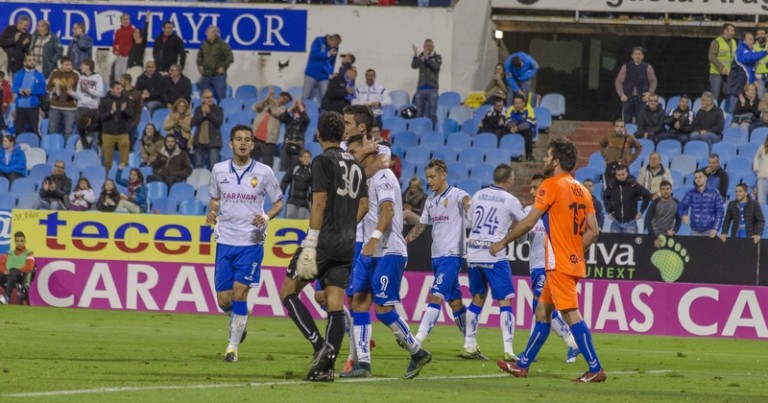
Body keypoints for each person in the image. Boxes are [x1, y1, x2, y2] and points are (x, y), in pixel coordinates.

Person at [492, 138, 605, 383]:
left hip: (559, 264)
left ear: (556, 161)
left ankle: (595, 368)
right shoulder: (583, 190)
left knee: (571, 314)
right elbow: (594, 230)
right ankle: (522, 365)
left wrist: (503, 242)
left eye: (547, 155)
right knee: (542, 312)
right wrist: (574, 250)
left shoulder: (551, 185)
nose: (544, 159)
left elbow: (530, 221)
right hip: (570, 261)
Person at [278, 112, 368, 382]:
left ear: (318, 134)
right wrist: (345, 226)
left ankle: (320, 346)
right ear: (342, 135)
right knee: (334, 304)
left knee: (287, 293)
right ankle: (326, 370)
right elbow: (364, 205)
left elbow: (318, 204)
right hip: (346, 243)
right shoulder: (356, 163)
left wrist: (312, 240)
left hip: (323, 241)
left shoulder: (321, 161)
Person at [343, 133, 431, 380]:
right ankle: (363, 364)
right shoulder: (365, 179)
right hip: (368, 251)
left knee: (382, 309)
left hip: (388, 250)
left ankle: (417, 351)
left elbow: (388, 211)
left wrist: (373, 239)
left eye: (354, 152)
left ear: (370, 154)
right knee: (358, 302)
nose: (352, 158)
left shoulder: (383, 177)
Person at [206, 124, 284, 363]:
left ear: (252, 144)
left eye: (247, 139)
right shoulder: (219, 170)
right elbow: (215, 200)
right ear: (231, 144)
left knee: (240, 295)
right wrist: (211, 212)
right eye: (238, 139)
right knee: (224, 301)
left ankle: (232, 348)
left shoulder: (264, 172)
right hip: (225, 241)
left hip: (251, 243)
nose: (242, 143)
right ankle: (241, 319)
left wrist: (267, 216)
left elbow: (279, 202)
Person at [404, 159, 470, 355]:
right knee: (455, 302)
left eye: (432, 177)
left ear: (443, 175)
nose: (429, 181)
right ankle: (471, 343)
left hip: (452, 256)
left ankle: (416, 340)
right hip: (436, 257)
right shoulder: (431, 201)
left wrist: (470, 207)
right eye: (427, 178)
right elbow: (421, 225)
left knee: (435, 296)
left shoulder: (457, 194)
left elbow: (468, 201)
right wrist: (404, 242)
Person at [461, 164, 525, 362]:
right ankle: (508, 349)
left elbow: (469, 222)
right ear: (510, 180)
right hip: (493, 253)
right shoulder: (510, 200)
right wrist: (517, 238)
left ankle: (469, 345)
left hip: (473, 252)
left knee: (478, 297)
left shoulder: (478, 194)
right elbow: (525, 224)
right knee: (504, 300)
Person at [525, 173, 581, 363]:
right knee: (542, 310)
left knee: (540, 307)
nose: (532, 191)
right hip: (535, 267)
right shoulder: (529, 210)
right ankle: (529, 354)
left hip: (548, 265)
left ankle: (573, 342)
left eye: (536, 187)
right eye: (532, 188)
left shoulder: (557, 209)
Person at [603, 165, 654, 234]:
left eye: (623, 174)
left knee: (631, 244)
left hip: (630, 223)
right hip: (616, 222)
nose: (621, 177)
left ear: (627, 174)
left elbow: (647, 195)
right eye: (619, 175)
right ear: (616, 175)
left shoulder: (633, 185)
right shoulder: (612, 185)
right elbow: (605, 196)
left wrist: (641, 211)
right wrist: (609, 210)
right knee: (612, 243)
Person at [726, 31, 767, 113]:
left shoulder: (750, 50)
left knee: (745, 110)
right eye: (750, 39)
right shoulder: (741, 49)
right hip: (737, 87)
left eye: (753, 39)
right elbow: (748, 58)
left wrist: (754, 80)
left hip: (745, 87)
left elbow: (751, 68)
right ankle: (730, 124)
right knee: (733, 111)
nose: (753, 41)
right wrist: (765, 52)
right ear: (744, 41)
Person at [615, 47, 657, 124]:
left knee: (641, 121)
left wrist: (650, 93)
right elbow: (618, 81)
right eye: (636, 54)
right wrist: (621, 94)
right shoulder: (626, 67)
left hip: (642, 99)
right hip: (628, 98)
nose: (637, 56)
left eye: (639, 54)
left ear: (643, 56)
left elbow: (653, 81)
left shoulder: (648, 67)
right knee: (626, 122)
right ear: (632, 56)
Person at [678, 169, 724, 237]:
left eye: (700, 177)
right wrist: (683, 214)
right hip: (694, 231)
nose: (698, 179)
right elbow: (681, 206)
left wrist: (716, 228)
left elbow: (720, 211)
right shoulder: (691, 193)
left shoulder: (714, 193)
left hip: (710, 231)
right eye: (696, 178)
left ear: (705, 178)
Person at [252, 89, 291, 169]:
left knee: (267, 166)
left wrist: (271, 101)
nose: (284, 101)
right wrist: (267, 99)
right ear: (279, 97)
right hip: (256, 138)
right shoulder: (267, 104)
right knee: (251, 163)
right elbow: (255, 108)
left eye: (286, 101)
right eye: (283, 98)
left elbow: (275, 112)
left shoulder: (282, 109)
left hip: (269, 142)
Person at [99, 81, 133, 172]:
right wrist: (111, 112)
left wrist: (123, 111)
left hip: (123, 133)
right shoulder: (104, 100)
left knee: (124, 160)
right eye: (117, 89)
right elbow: (101, 117)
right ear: (111, 89)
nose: (119, 91)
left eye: (121, 88)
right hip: (108, 133)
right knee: (108, 161)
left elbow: (130, 115)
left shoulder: (126, 100)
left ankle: (123, 177)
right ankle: (107, 179)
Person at [196, 25, 234, 102]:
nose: (206, 34)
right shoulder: (204, 44)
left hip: (218, 76)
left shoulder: (222, 44)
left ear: (214, 33)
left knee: (221, 96)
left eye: (208, 32)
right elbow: (200, 56)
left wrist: (223, 66)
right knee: (203, 96)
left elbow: (230, 58)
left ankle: (221, 111)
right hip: (206, 75)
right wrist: (199, 65)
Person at [599, 118, 643, 184]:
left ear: (624, 128)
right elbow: (601, 145)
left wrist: (631, 159)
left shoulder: (629, 137)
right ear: (614, 127)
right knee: (610, 189)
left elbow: (639, 147)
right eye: (617, 126)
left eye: (621, 126)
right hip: (610, 167)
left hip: (623, 167)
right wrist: (605, 156)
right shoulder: (608, 136)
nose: (619, 129)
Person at [12, 55, 46, 136]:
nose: (31, 62)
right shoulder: (19, 74)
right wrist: (19, 90)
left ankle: (37, 146)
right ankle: (18, 145)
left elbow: (43, 90)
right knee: (19, 129)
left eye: (33, 60)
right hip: (20, 106)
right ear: (25, 62)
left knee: (35, 129)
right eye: (29, 60)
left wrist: (32, 91)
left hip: (33, 107)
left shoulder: (40, 76)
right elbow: (13, 88)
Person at [47, 57, 79, 139]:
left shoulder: (75, 74)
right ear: (61, 65)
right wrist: (54, 90)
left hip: (70, 108)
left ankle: (67, 149)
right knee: (52, 129)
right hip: (55, 106)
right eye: (66, 65)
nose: (69, 67)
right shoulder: (55, 73)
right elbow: (48, 88)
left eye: (70, 65)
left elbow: (80, 91)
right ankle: (52, 149)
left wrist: (72, 92)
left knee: (68, 131)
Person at [302, 34, 341, 103]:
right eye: (336, 44)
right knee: (306, 96)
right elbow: (314, 54)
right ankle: (302, 113)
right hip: (312, 74)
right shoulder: (319, 41)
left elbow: (332, 62)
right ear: (331, 40)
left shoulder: (335, 48)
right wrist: (327, 54)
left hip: (324, 76)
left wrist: (330, 73)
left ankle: (323, 113)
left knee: (325, 98)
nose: (336, 46)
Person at [411, 39, 442, 124]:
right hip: (420, 89)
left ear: (433, 47)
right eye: (427, 46)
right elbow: (414, 66)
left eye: (430, 46)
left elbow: (435, 67)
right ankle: (420, 131)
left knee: (432, 113)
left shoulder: (437, 57)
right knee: (419, 113)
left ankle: (432, 132)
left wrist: (427, 58)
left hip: (432, 89)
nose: (429, 47)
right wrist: (416, 55)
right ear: (424, 47)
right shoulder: (421, 56)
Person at [191, 89, 224, 169]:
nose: (210, 99)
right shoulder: (198, 109)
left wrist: (209, 113)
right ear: (202, 99)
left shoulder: (218, 109)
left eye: (211, 97)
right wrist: (203, 115)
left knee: (214, 166)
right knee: (198, 166)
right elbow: (193, 122)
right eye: (207, 97)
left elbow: (218, 122)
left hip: (213, 142)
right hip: (199, 142)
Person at [644, 180, 682, 248]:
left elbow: (679, 220)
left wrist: (674, 230)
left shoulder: (676, 202)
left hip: (669, 237)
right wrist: (654, 238)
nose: (665, 191)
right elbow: (647, 220)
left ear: (671, 190)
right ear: (660, 191)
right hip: (655, 237)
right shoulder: (655, 203)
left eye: (667, 189)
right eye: (663, 189)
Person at [0, 232, 35, 305]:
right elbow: (2, 264)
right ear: (15, 242)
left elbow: (29, 267)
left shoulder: (29, 253)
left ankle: (6, 297)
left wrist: (16, 270)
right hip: (9, 276)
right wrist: (4, 270)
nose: (20, 243)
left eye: (21, 241)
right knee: (10, 272)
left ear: (24, 241)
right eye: (18, 241)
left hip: (21, 277)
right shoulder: (9, 253)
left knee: (13, 270)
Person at [280, 98, 311, 171]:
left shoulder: (304, 122)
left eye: (298, 110)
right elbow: (283, 117)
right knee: (283, 169)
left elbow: (307, 119)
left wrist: (300, 105)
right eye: (296, 110)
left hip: (298, 148)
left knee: (294, 169)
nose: (297, 112)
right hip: (286, 147)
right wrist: (293, 106)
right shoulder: (289, 120)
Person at [281, 149, 312, 219]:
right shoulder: (294, 168)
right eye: (304, 157)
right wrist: (280, 196)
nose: (307, 159)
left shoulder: (312, 170)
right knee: (289, 218)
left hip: (305, 203)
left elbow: (313, 188)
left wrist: (311, 201)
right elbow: (284, 181)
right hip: (292, 200)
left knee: (304, 222)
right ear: (300, 158)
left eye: (308, 157)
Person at [709, 23, 737, 102]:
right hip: (716, 73)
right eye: (731, 30)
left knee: (728, 94)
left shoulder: (734, 42)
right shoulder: (716, 42)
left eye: (733, 31)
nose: (733, 33)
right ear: (725, 31)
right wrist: (721, 67)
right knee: (715, 96)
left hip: (728, 74)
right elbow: (711, 56)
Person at [506, 93, 537, 161]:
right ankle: (507, 155)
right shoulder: (510, 109)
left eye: (519, 103)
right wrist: (513, 126)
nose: (517, 105)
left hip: (526, 131)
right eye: (515, 103)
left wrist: (517, 127)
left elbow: (530, 122)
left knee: (528, 130)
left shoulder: (528, 108)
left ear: (523, 103)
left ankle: (529, 155)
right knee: (503, 130)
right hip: (514, 129)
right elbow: (508, 122)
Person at [120, 73, 143, 145]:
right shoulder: (120, 93)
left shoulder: (137, 94)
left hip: (131, 121)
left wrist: (135, 122)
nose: (120, 82)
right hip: (121, 120)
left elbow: (139, 110)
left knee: (129, 131)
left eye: (121, 80)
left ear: (126, 81)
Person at [112, 14, 135, 81]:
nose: (126, 21)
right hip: (120, 56)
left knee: (126, 74)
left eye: (127, 19)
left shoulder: (133, 31)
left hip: (129, 56)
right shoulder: (118, 31)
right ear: (121, 21)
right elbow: (115, 43)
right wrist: (114, 50)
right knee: (117, 74)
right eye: (124, 19)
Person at [754, 136, 768, 206]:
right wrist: (756, 168)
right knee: (761, 201)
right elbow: (756, 157)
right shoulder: (762, 147)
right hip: (762, 177)